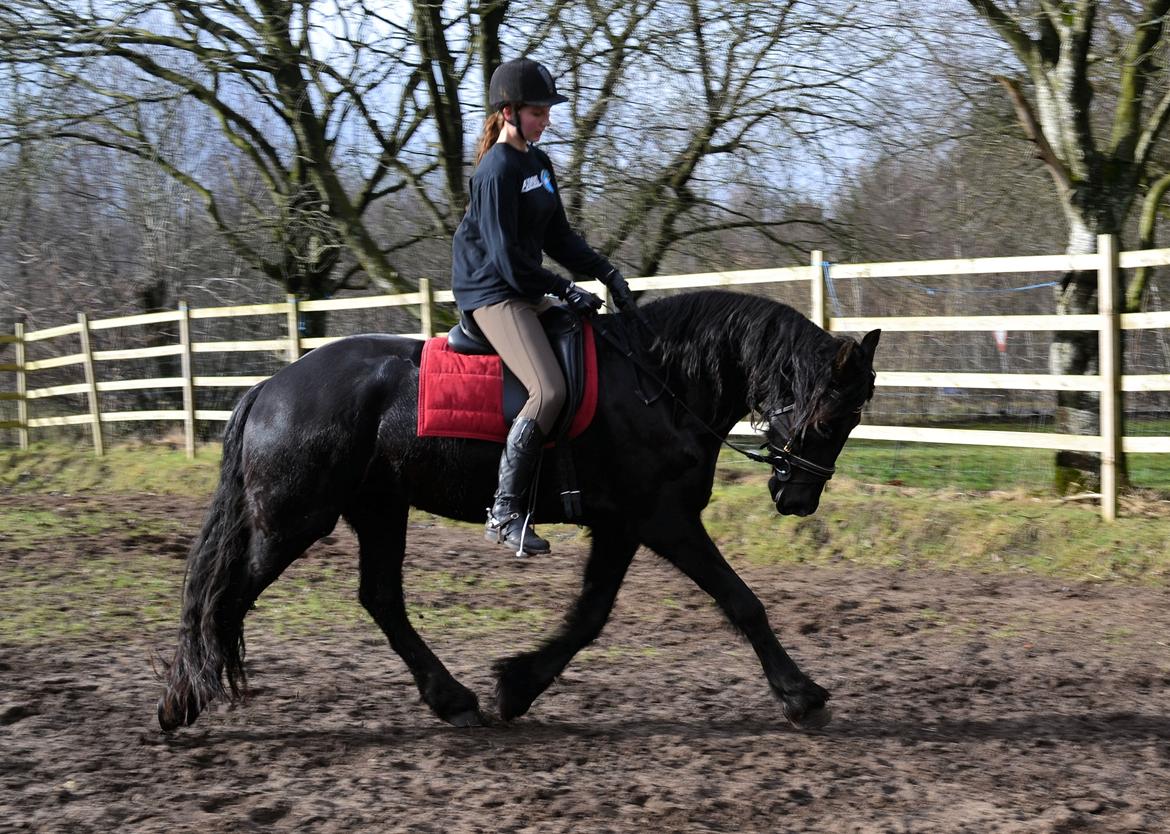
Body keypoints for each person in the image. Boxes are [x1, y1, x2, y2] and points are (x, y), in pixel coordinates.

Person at [451, 56, 637, 556]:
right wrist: (562, 288)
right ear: (509, 112)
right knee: (550, 390)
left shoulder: (538, 164)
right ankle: (505, 509)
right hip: (493, 293)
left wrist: (606, 273)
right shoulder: (495, 171)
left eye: (547, 111)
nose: (547, 119)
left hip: (523, 285)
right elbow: (508, 261)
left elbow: (558, 235)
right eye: (538, 112)